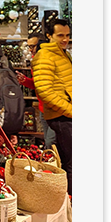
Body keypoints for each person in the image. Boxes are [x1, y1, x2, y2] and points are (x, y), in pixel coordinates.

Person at [32, 18, 72, 194]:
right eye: (60, 35)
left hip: (66, 115)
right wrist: (71, 111)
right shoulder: (45, 56)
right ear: (49, 35)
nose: (65, 39)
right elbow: (45, 91)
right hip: (62, 117)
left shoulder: (63, 53)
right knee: (71, 163)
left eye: (68, 35)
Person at [23, 35, 56, 149]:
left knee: (51, 142)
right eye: (29, 47)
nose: (30, 50)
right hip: (43, 107)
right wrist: (25, 81)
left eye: (33, 46)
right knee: (48, 140)